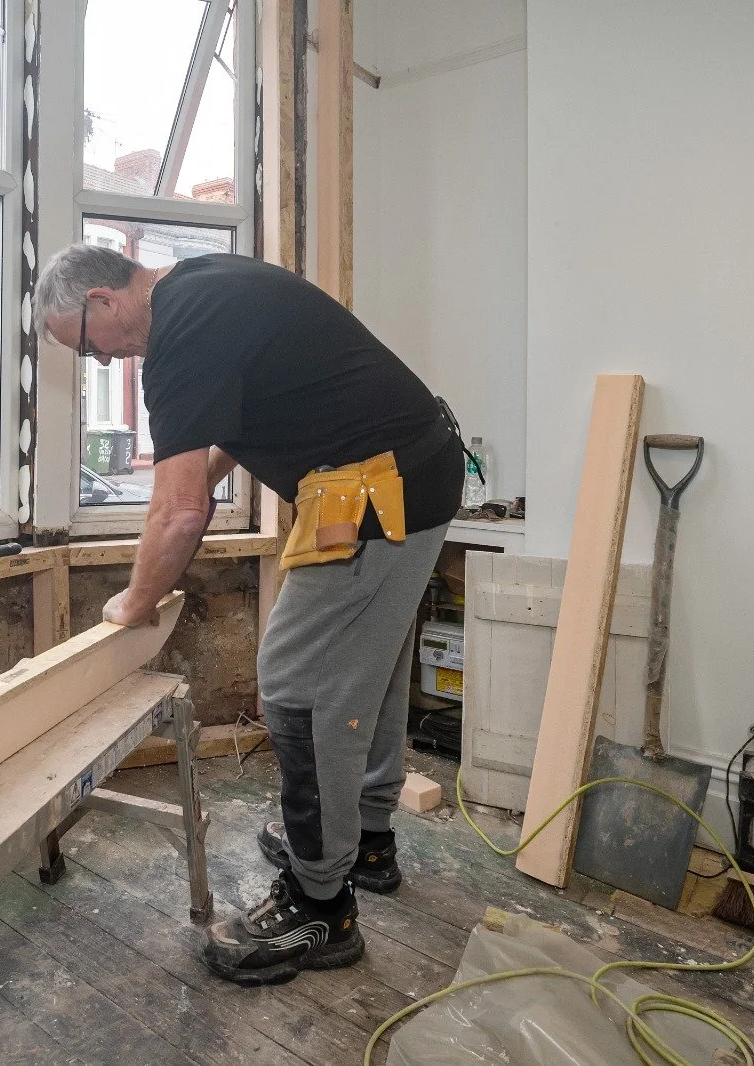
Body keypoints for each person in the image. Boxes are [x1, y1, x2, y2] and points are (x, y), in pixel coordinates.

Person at [34, 244, 467, 986]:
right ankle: (363, 839)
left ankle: (318, 904)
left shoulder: (177, 338)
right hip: (415, 471)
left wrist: (133, 604)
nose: (102, 362)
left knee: (299, 685)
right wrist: (194, 486)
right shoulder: (203, 284)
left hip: (372, 492)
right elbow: (232, 427)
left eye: (89, 348)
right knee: (371, 669)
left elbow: (178, 513)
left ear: (101, 300)